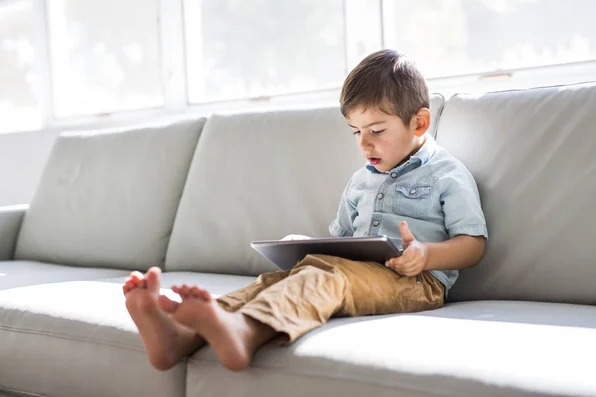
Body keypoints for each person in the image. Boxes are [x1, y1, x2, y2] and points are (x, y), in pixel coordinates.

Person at [122, 49, 488, 372]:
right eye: (355, 132)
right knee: (287, 276)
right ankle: (185, 333)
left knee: (324, 278)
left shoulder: (446, 174)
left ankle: (245, 332)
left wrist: (425, 255)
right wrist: (312, 247)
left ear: (419, 123)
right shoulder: (361, 180)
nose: (364, 143)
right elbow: (345, 242)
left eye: (376, 129)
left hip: (417, 284)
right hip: (359, 272)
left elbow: (473, 244)